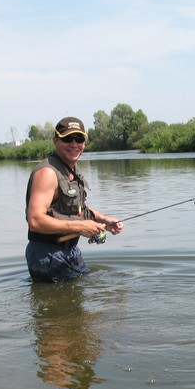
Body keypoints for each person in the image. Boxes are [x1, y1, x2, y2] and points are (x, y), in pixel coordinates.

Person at [25, 116, 123, 282]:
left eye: (79, 138)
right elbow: (35, 221)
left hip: (70, 251)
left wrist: (103, 220)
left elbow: (76, 207)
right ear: (55, 140)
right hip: (48, 255)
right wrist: (80, 227)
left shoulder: (70, 169)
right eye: (68, 138)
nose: (74, 144)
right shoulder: (47, 173)